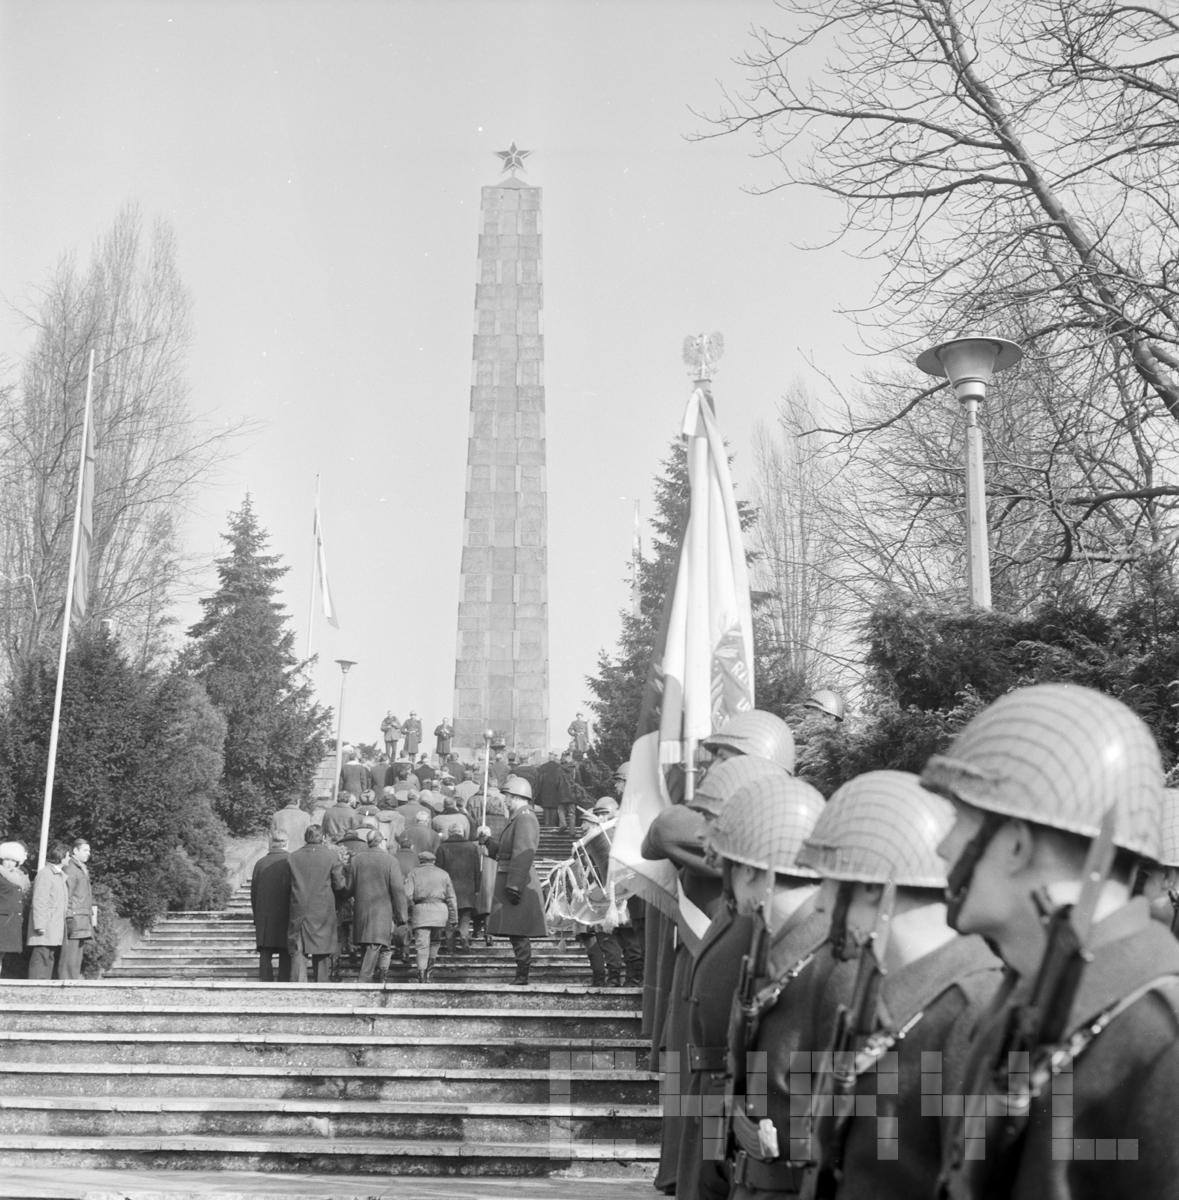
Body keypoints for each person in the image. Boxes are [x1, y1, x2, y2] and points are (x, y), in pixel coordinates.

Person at [925, 683, 1179, 1200]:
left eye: (961, 822)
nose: (940, 846)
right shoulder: (1021, 1002)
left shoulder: (1160, 1039)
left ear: (1016, 843)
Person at [796, 771, 1000, 1200]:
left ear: (873, 886)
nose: (819, 903)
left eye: (829, 883)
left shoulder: (975, 1011)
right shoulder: (878, 993)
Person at [479, 775, 547, 984]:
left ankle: (522, 974)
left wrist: (515, 885)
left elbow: (523, 852)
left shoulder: (525, 818)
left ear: (517, 796)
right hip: (512, 878)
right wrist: (487, 841)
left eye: (507, 796)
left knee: (519, 930)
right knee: (515, 931)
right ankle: (521, 973)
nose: (505, 800)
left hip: (518, 881)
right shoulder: (518, 817)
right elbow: (506, 851)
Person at [287, 825, 348, 984]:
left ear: (305, 837)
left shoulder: (293, 857)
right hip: (323, 908)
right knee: (322, 950)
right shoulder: (331, 856)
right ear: (323, 837)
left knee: (298, 950)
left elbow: (286, 883)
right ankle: (322, 985)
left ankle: (297, 986)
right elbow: (340, 884)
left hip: (298, 906)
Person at [350, 829, 408, 984]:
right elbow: (398, 890)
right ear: (381, 841)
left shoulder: (356, 860)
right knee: (374, 945)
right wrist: (402, 915)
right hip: (381, 912)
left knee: (367, 946)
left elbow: (349, 886)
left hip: (361, 911)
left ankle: (366, 979)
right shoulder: (390, 861)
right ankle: (364, 981)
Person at [405, 849, 458, 983]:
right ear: (433, 861)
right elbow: (451, 898)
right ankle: (429, 971)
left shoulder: (413, 873)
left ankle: (421, 975)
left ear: (420, 861)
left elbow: (407, 895)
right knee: (435, 942)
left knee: (422, 945)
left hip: (421, 911)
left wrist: (410, 911)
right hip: (440, 912)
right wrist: (454, 917)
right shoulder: (443, 874)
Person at [251, 834, 292, 982]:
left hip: (265, 916)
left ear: (271, 843)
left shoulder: (260, 863)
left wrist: (257, 916)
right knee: (286, 952)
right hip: (286, 914)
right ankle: (284, 983)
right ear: (286, 843)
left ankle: (265, 981)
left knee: (265, 953)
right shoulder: (290, 861)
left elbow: (254, 893)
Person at [437, 827, 484, 953]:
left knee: (449, 918)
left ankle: (450, 945)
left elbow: (439, 870)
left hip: (448, 888)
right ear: (462, 833)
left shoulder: (442, 848)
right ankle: (464, 936)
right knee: (465, 916)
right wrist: (477, 888)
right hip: (467, 889)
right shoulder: (472, 847)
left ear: (449, 833)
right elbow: (477, 870)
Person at [27, 842, 69, 980]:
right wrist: (39, 925)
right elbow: (39, 900)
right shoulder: (46, 874)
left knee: (48, 956)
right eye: (67, 856)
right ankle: (35, 990)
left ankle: (43, 989)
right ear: (61, 857)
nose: (69, 859)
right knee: (41, 957)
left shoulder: (59, 875)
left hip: (54, 924)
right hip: (46, 925)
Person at [59, 838, 97, 980]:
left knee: (76, 955)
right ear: (75, 850)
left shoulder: (80, 868)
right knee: (69, 955)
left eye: (89, 850)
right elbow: (67, 895)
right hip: (74, 918)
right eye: (85, 850)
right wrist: (68, 917)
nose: (89, 854)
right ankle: (66, 985)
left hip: (81, 917)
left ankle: (72, 983)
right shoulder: (71, 868)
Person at [0, 841, 31, 976]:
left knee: (2, 955)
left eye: (13, 860)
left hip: (10, 921)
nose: (10, 863)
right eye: (7, 859)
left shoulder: (19, 877)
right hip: (1, 919)